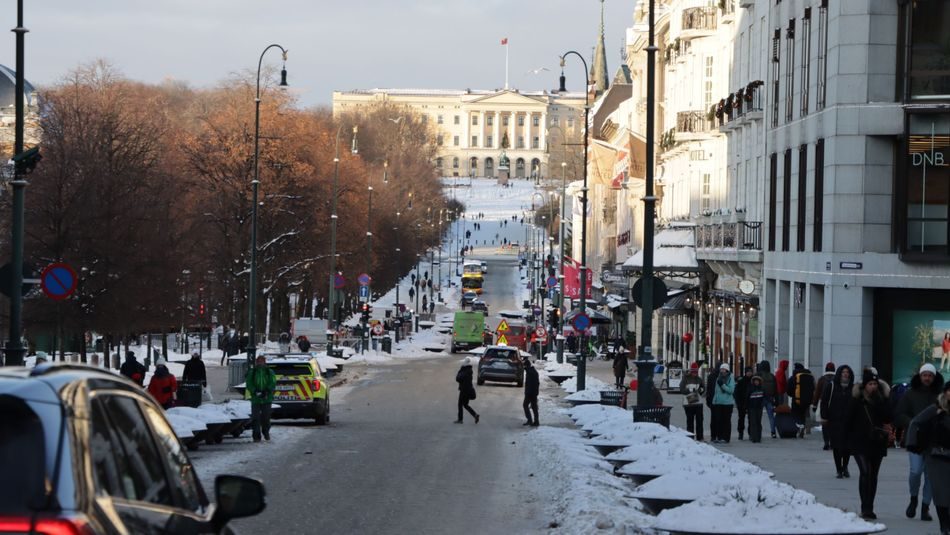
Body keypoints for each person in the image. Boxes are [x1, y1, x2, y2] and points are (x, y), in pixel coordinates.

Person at [895, 363, 944, 522]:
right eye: (925, 375)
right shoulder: (910, 394)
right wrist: (913, 423)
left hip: (934, 440)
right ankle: (913, 498)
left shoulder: (940, 395)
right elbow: (900, 414)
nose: (927, 378)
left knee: (931, 475)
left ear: (934, 377)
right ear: (920, 376)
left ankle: (925, 506)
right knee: (915, 471)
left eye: (930, 375)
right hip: (915, 438)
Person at [846, 368, 891, 520]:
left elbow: (889, 417)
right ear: (865, 385)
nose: (873, 386)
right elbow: (848, 420)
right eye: (870, 383)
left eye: (875, 383)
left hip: (877, 441)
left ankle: (870, 506)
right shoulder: (856, 400)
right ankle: (865, 507)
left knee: (874, 475)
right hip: (859, 442)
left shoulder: (882, 399)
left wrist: (886, 399)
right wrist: (846, 441)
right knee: (865, 472)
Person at [907, 380, 950, 534]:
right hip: (936, 456)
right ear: (945, 392)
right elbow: (915, 423)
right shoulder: (936, 409)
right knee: (940, 492)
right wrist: (913, 445)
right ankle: (944, 525)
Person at [821, 364, 856, 479]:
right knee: (836, 446)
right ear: (839, 374)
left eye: (847, 372)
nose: (845, 374)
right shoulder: (832, 386)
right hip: (834, 421)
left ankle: (845, 467)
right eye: (843, 372)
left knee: (847, 446)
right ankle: (838, 469)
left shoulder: (853, 388)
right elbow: (824, 402)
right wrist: (824, 416)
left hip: (849, 422)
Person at [245, 355, 276, 442]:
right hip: (256, 399)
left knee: (266, 417)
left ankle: (265, 431)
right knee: (255, 418)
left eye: (262, 361)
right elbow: (249, 383)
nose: (260, 363)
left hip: (267, 399)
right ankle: (256, 435)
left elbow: (273, 382)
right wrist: (255, 391)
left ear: (265, 362)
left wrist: (267, 391)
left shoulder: (269, 372)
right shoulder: (252, 372)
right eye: (259, 361)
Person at [788, 362, 816, 438]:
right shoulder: (810, 377)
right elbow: (813, 388)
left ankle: (797, 429)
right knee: (804, 415)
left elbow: (789, 388)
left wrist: (792, 395)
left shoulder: (794, 377)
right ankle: (803, 429)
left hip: (796, 399)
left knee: (796, 414)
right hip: (807, 400)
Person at [814, 362, 837, 450]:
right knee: (833, 424)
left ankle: (826, 442)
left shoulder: (822, 379)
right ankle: (832, 442)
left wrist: (814, 405)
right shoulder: (836, 379)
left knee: (824, 424)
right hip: (834, 404)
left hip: (823, 404)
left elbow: (817, 393)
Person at [680, 362, 706, 441]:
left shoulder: (699, 379)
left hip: (698, 403)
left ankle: (700, 437)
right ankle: (690, 437)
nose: (695, 373)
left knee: (700, 421)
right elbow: (682, 390)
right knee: (690, 421)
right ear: (691, 371)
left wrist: (702, 390)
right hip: (688, 404)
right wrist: (691, 390)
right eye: (693, 372)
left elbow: (703, 389)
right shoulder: (685, 379)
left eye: (696, 372)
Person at [712, 363, 736, 444]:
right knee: (718, 420)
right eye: (721, 369)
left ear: (727, 370)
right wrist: (714, 400)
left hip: (727, 403)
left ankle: (726, 438)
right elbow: (716, 391)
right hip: (718, 403)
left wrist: (722, 385)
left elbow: (731, 390)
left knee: (726, 421)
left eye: (723, 369)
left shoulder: (730, 378)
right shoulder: (718, 377)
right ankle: (719, 437)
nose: (722, 371)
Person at [455, 357, 480, 424]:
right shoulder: (469, 370)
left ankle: (460, 420)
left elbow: (458, 378)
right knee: (465, 405)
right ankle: (475, 415)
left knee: (460, 404)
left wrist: (460, 370)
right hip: (468, 389)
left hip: (464, 390)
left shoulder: (465, 371)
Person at [735, 366, 753, 440]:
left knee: (751, 419)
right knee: (741, 418)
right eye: (748, 372)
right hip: (741, 403)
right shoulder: (741, 381)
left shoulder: (753, 381)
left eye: (750, 372)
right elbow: (736, 393)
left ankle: (750, 433)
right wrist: (738, 403)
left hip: (751, 403)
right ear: (745, 373)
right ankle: (740, 432)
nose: (749, 373)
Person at [747, 373, 766, 443]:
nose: (756, 382)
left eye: (757, 381)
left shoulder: (762, 388)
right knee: (753, 422)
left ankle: (758, 437)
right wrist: (746, 407)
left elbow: (765, 397)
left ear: (760, 381)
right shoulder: (750, 388)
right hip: (751, 408)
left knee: (758, 422)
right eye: (755, 380)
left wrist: (762, 404)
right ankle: (753, 437)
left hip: (759, 408)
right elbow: (747, 398)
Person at [706, 363, 721, 442]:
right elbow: (709, 389)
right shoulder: (716, 376)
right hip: (715, 400)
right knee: (717, 419)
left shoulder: (711, 376)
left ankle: (714, 435)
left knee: (715, 419)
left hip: (715, 400)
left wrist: (708, 400)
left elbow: (708, 389)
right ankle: (716, 435)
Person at [522, 357, 540, 426]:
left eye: (524, 366)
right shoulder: (533, 371)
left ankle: (530, 420)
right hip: (533, 392)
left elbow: (530, 384)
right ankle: (536, 421)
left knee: (525, 405)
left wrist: (528, 393)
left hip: (530, 393)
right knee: (534, 407)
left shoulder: (530, 373)